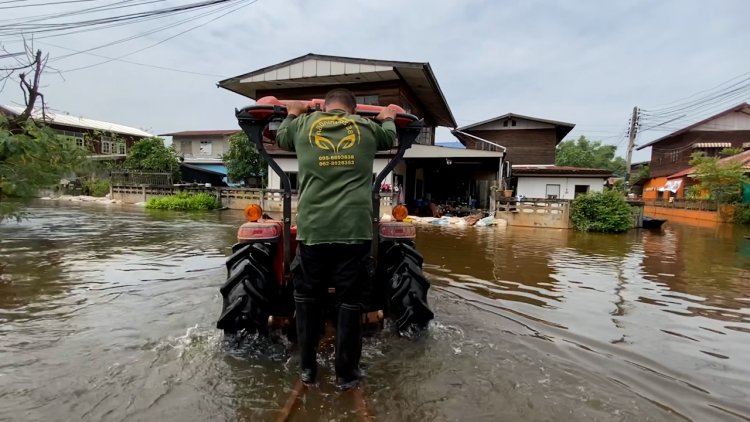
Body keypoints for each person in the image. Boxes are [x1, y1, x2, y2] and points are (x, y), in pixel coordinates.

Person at [276, 88, 398, 390]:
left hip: (314, 230)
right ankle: (346, 375)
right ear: (352, 110)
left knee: (306, 300)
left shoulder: (303, 126)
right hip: (354, 231)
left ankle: (307, 370)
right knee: (349, 303)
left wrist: (293, 110)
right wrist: (389, 117)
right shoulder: (367, 128)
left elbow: (281, 137)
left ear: (327, 107)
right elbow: (390, 138)